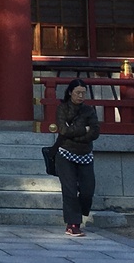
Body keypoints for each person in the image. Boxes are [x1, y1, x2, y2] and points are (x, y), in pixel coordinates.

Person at [56, 78, 100, 237]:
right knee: (70, 190)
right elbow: (63, 131)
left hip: (85, 153)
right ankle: (72, 224)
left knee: (88, 189)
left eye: (83, 93)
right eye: (77, 93)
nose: (81, 96)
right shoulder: (62, 109)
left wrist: (76, 133)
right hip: (65, 153)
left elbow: (95, 132)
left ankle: (79, 214)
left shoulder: (89, 110)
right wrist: (84, 130)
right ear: (70, 92)